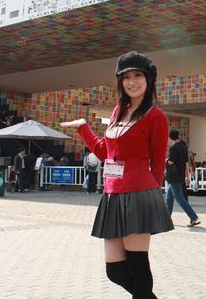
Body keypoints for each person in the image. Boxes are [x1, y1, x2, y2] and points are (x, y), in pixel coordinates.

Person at [61, 51, 173, 298]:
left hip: (138, 195)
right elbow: (105, 152)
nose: (132, 82)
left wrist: (151, 199)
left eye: (138, 75)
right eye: (126, 77)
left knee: (138, 267)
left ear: (149, 79)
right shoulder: (118, 111)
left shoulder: (155, 116)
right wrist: (83, 128)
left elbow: (157, 163)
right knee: (115, 271)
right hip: (112, 195)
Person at [165, 129, 200, 227]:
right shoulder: (183, 147)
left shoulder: (173, 148)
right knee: (169, 197)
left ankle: (193, 217)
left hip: (173, 176)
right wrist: (187, 176)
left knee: (179, 198)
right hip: (180, 176)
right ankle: (167, 219)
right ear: (178, 136)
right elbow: (186, 163)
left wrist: (166, 160)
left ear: (170, 138)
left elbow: (171, 162)